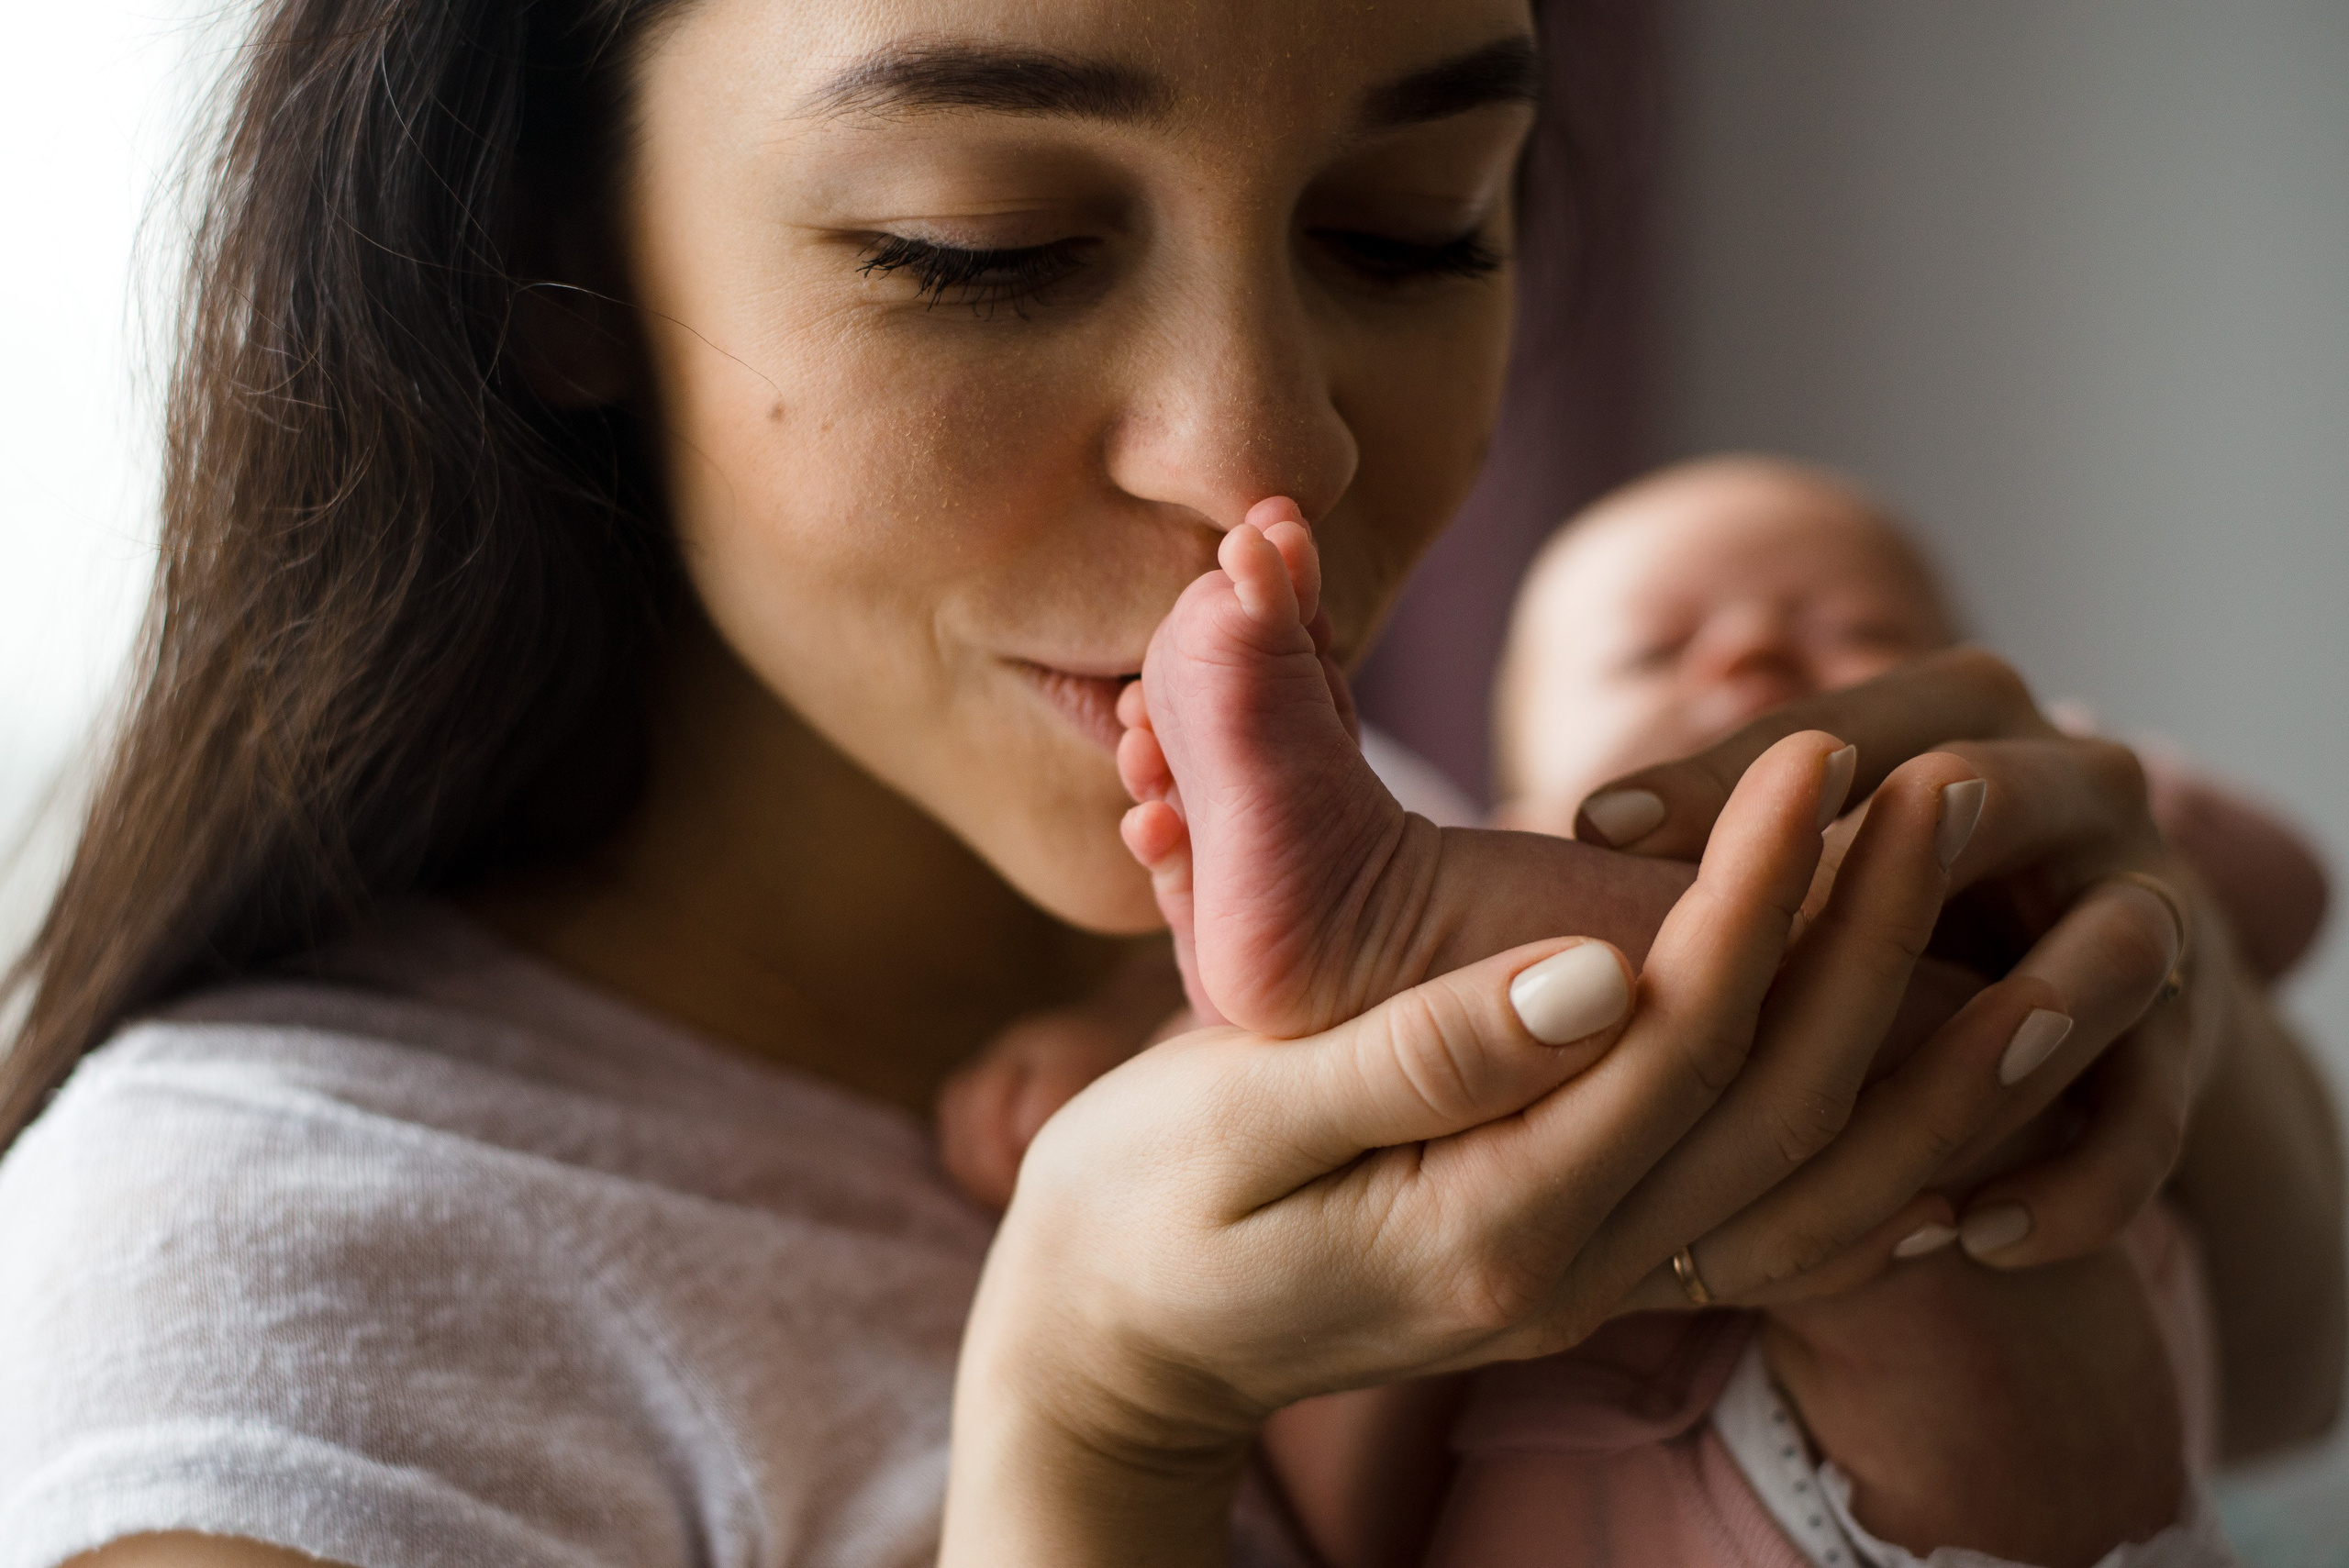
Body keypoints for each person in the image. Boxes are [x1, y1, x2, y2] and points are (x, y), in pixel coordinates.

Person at [0, 6, 2323, 1568]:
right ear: (547, 257)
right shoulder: (255, 1315)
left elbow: (2273, 1402)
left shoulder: (1407, 819)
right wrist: (1091, 1433)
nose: (1266, 465)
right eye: (979, 251)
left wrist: (2114, 1036)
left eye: (1412, 228)